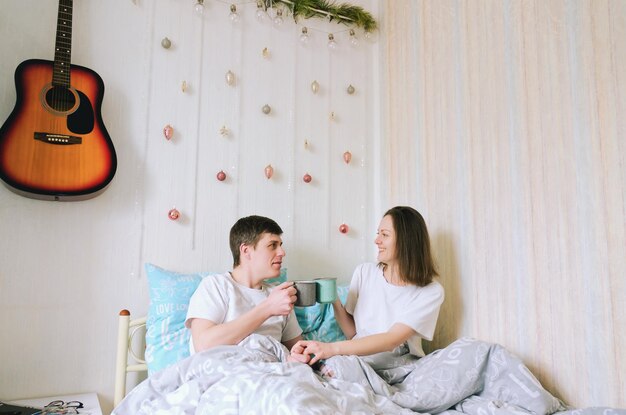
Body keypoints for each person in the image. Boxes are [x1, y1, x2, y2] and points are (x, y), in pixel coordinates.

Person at [291, 206, 444, 365]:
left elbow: (392, 340)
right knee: (334, 367)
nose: (377, 240)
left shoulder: (431, 291)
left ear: (407, 240)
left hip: (402, 365)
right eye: (378, 234)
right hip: (361, 362)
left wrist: (331, 349)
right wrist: (334, 299)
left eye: (384, 235)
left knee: (469, 349)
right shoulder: (364, 272)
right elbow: (353, 333)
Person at [185, 215, 308, 362]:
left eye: (280, 245)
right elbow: (203, 345)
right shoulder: (216, 286)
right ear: (246, 250)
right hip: (229, 375)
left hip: (273, 374)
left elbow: (298, 349)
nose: (282, 252)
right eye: (273, 245)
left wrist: (303, 356)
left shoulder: (279, 295)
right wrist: (268, 308)